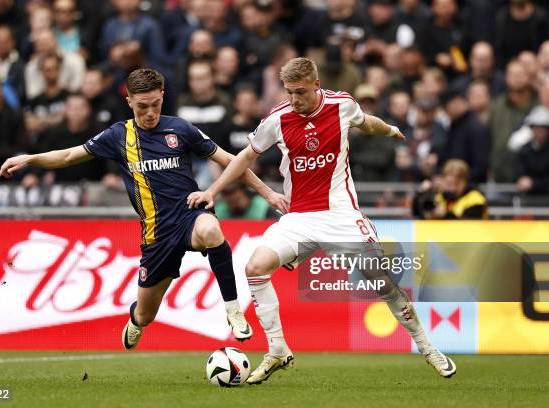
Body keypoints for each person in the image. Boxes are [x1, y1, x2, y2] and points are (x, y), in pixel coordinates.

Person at [188, 57, 457, 384]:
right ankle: (277, 349)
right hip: (298, 217)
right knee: (254, 268)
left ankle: (427, 347)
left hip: (340, 215)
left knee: (383, 282)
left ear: (316, 85)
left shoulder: (341, 105)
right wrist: (214, 189)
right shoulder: (279, 118)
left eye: (300, 92)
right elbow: (246, 156)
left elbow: (365, 122)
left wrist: (389, 129)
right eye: (289, 92)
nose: (295, 99)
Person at [0, 68, 288, 350]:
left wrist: (267, 193)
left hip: (189, 215)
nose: (150, 113)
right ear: (129, 102)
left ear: (163, 96)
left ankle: (233, 310)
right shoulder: (117, 136)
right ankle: (136, 320)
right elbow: (68, 156)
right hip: (156, 234)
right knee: (147, 313)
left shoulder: (181, 128)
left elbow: (230, 160)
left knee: (212, 230)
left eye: (155, 104)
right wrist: (30, 158)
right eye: (142, 107)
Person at [413, 159, 489, 219]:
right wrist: (421, 194)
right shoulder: (438, 195)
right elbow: (417, 213)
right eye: (447, 183)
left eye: (454, 184)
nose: (450, 188)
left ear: (464, 182)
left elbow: (468, 227)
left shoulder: (475, 199)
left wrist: (445, 215)